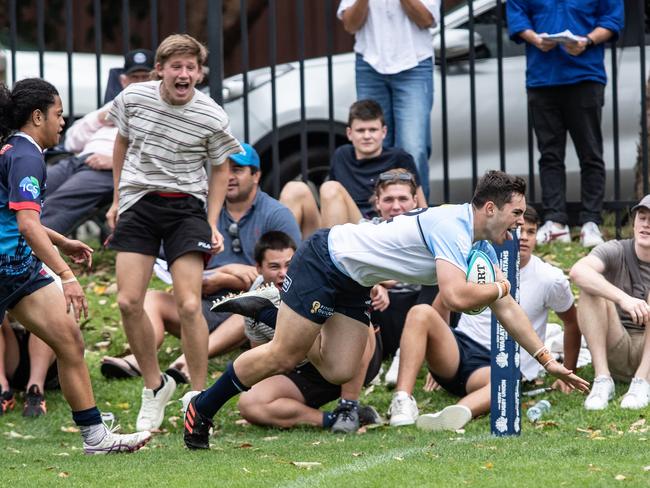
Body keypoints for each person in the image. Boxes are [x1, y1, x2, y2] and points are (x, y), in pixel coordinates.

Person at [183, 170, 589, 450]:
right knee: (284, 354)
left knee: (341, 369)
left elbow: (506, 306)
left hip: (353, 280)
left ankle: (274, 314)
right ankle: (202, 408)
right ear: (489, 209)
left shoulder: (480, 243)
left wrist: (543, 358)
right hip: (327, 257)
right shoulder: (453, 227)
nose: (519, 225)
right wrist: (500, 284)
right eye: (516, 214)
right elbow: (457, 296)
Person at [0, 77, 150, 453]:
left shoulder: (16, 151)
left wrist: (61, 240)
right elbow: (26, 224)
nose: (63, 122)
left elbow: (15, 217)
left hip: (17, 270)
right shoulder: (25, 155)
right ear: (38, 116)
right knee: (69, 340)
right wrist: (67, 275)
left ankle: (95, 437)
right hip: (10, 266)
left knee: (69, 340)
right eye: (58, 114)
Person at [105, 34, 242, 433]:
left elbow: (220, 169)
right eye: (176, 67)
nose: (184, 74)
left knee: (187, 303)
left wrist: (212, 221)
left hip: (186, 207)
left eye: (191, 68)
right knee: (129, 301)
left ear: (200, 73)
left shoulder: (211, 115)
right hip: (140, 202)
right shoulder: (134, 99)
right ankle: (155, 386)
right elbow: (122, 143)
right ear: (160, 70)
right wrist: (117, 198)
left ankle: (197, 398)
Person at [388, 206, 581, 430]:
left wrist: (570, 369)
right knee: (420, 312)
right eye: (518, 230)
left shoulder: (550, 278)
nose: (524, 238)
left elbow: (571, 322)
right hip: (458, 351)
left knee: (505, 380)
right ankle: (402, 400)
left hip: (495, 367)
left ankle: (452, 414)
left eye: (531, 231)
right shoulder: (478, 259)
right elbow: (443, 304)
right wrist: (434, 356)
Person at [507, 0, 624, 248]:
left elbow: (613, 19)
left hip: (586, 75)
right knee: (549, 155)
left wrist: (588, 40)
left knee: (590, 152)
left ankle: (591, 222)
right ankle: (555, 221)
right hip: (542, 79)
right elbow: (517, 16)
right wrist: (535, 39)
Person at [337, 1, 439, 200]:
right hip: (370, 63)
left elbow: (427, 19)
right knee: (372, 143)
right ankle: (376, 217)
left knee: (413, 148)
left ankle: (417, 219)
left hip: (414, 63)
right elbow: (350, 25)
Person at [280, 99, 426, 237]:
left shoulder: (400, 157)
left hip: (375, 227)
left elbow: (420, 205)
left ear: (384, 132)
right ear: (349, 133)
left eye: (373, 130)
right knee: (294, 189)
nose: (367, 136)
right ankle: (282, 259)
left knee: (330, 187)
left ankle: (327, 259)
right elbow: (330, 201)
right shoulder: (341, 155)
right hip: (340, 226)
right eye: (361, 130)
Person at [569, 195, 650, 410]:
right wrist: (624, 299)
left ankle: (643, 381)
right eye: (642, 217)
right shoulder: (616, 249)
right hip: (617, 344)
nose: (646, 225)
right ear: (634, 223)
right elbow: (578, 271)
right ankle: (603, 379)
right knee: (590, 288)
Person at [0, 312, 59, 417]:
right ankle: (3, 389)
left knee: (45, 308)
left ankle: (35, 391)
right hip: (11, 357)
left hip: (48, 359)